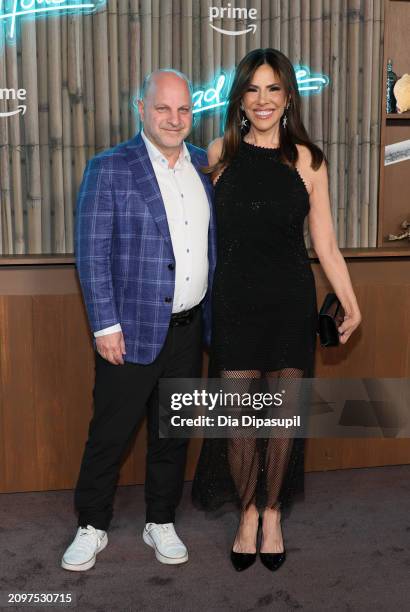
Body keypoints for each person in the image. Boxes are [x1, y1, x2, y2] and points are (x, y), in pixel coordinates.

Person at [192, 48, 361, 572]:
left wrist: (353, 305)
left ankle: (272, 513)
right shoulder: (219, 153)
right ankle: (246, 511)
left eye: (273, 89)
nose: (263, 100)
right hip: (235, 302)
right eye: (252, 89)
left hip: (290, 301)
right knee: (241, 416)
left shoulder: (309, 160)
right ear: (240, 98)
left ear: (288, 96)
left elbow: (326, 244)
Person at [61, 69, 216, 571]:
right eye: (163, 108)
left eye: (184, 109)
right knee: (110, 433)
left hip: (190, 329)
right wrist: (105, 326)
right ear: (141, 108)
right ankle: (91, 524)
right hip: (127, 335)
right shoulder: (110, 168)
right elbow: (92, 254)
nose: (174, 119)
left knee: (173, 433)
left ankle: (160, 519)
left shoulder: (204, 166)